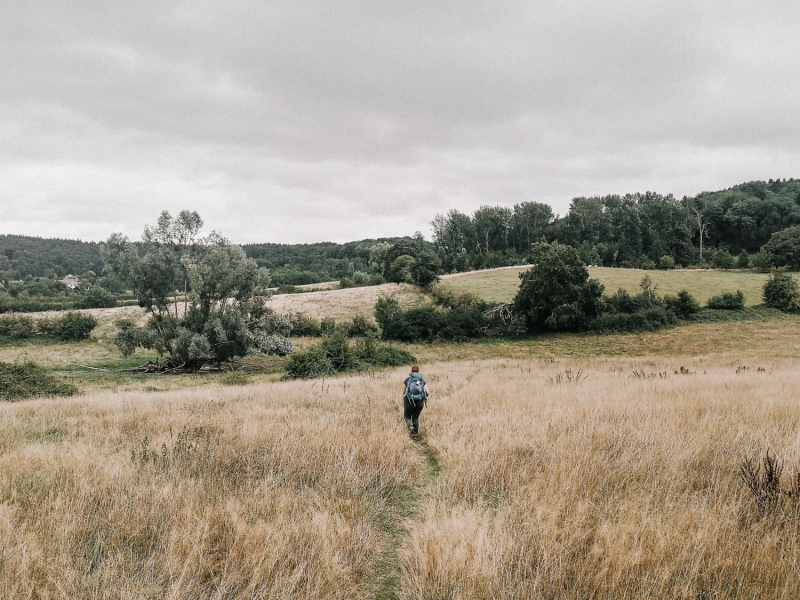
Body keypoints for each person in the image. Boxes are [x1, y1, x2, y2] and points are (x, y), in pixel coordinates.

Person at [402, 365, 430, 439]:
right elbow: (428, 392)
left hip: (409, 401)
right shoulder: (422, 381)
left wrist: (404, 402)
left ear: (411, 371)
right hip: (420, 402)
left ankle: (410, 427)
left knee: (407, 416)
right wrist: (424, 397)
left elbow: (404, 392)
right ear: (418, 371)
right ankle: (415, 436)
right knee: (415, 417)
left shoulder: (407, 380)